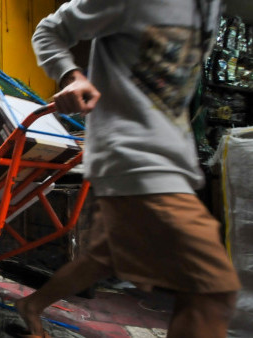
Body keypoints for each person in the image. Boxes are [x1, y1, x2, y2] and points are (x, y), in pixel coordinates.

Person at [13, 1, 241, 337]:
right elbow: (49, 31)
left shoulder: (208, 11)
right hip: (134, 157)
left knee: (101, 259)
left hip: (171, 161)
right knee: (212, 286)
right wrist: (71, 75)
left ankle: (30, 305)